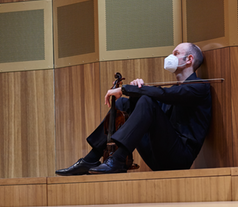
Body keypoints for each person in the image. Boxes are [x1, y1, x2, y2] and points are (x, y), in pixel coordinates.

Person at [56, 42, 212, 175]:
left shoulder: (199, 87)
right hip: (157, 155)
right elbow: (158, 105)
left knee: (147, 101)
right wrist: (136, 92)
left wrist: (126, 89)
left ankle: (117, 159)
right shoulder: (174, 91)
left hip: (179, 158)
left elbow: (165, 94)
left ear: (189, 59)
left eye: (176, 53)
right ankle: (91, 158)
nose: (170, 57)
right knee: (125, 105)